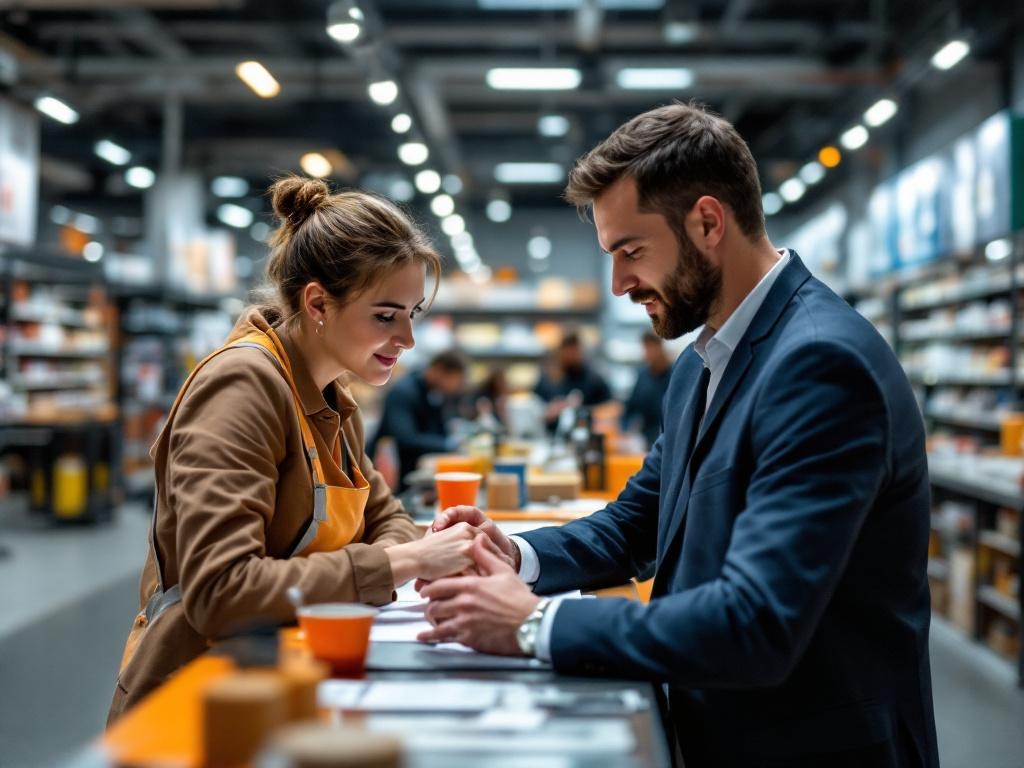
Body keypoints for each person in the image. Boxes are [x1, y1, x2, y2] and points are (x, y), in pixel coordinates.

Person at [418, 103, 938, 767]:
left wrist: (531, 622)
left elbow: (757, 622)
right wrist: (513, 554)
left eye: (631, 251)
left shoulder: (819, 364)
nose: (619, 282)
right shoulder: (701, 363)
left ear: (708, 222)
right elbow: (635, 525)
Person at [108, 177, 487, 721]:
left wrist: (396, 556)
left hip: (286, 678)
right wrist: (406, 561)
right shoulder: (242, 387)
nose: (407, 339)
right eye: (386, 315)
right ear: (318, 303)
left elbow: (388, 517)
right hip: (201, 703)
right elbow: (222, 591)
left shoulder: (331, 396)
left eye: (413, 314)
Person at [370, 350, 467, 491]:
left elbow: (440, 431)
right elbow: (405, 438)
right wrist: (447, 444)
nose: (455, 387)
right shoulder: (403, 391)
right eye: (454, 380)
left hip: (414, 471)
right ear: (439, 369)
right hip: (389, 471)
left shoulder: (434, 392)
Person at [533, 331, 613, 431]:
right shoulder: (548, 378)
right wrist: (550, 411)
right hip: (550, 438)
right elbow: (533, 407)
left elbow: (612, 407)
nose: (571, 354)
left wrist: (585, 411)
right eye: (567, 349)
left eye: (574, 349)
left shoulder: (593, 379)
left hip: (586, 435)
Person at [621, 330, 673, 448]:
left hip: (669, 439)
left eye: (652, 347)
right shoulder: (642, 376)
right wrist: (625, 430)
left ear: (660, 347)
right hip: (646, 439)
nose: (648, 353)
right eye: (646, 348)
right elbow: (631, 407)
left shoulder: (675, 374)